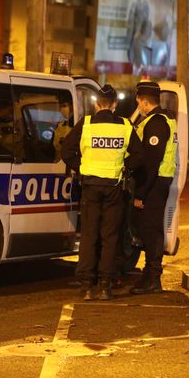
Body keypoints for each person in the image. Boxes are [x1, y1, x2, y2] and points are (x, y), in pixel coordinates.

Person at [61, 84, 142, 301]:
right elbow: (138, 155)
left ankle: (87, 285)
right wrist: (125, 168)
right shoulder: (125, 126)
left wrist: (82, 167)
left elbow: (66, 150)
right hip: (114, 188)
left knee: (89, 236)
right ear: (115, 105)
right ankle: (106, 285)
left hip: (90, 187)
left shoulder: (86, 124)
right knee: (110, 237)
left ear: (96, 104)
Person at [130, 81, 177, 294]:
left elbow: (151, 160)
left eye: (138, 101)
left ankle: (153, 278)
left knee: (152, 230)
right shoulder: (164, 119)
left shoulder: (156, 123)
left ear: (144, 101)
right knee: (149, 229)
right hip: (159, 180)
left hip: (155, 182)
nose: (137, 104)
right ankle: (149, 276)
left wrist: (140, 193)